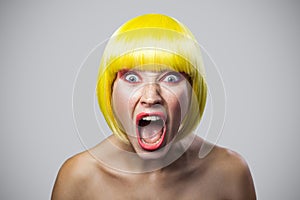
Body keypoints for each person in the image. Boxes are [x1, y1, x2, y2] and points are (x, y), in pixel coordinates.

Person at [52, 13, 256, 199]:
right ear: (110, 91)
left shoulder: (230, 173)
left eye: (170, 78)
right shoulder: (78, 177)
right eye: (132, 78)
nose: (151, 97)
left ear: (193, 91)